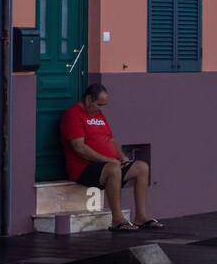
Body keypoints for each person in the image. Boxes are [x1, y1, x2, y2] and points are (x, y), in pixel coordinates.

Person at [60, 83, 162, 231]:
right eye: (99, 104)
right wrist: (108, 160)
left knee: (142, 167)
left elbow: (111, 140)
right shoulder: (73, 115)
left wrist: (121, 156)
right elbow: (79, 147)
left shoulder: (98, 114)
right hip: (84, 168)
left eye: (104, 105)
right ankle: (117, 219)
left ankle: (141, 216)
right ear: (89, 99)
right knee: (113, 169)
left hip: (109, 164)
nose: (101, 109)